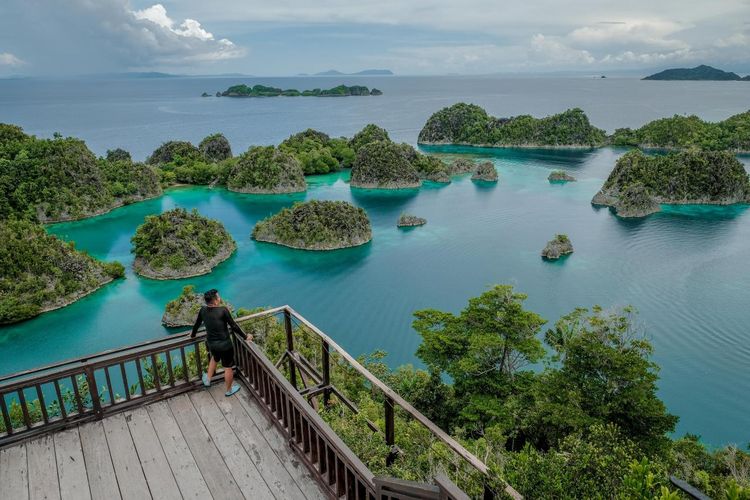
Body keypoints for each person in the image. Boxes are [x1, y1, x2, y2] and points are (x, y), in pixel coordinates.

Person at [189, 289, 252, 396]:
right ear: (215, 301)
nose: (220, 298)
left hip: (212, 344)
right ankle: (229, 390)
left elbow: (197, 324)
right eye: (218, 297)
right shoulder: (223, 310)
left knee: (214, 357)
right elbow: (234, 326)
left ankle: (208, 379)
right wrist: (246, 336)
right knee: (228, 367)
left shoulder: (203, 310)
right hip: (225, 345)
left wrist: (192, 335)